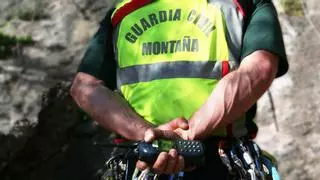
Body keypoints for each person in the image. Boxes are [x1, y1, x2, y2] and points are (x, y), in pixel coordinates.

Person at [69, 0, 288, 179]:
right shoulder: (242, 5)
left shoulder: (123, 14)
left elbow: (85, 88)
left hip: (143, 160)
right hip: (221, 163)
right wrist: (188, 133)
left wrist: (150, 137)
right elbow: (260, 68)